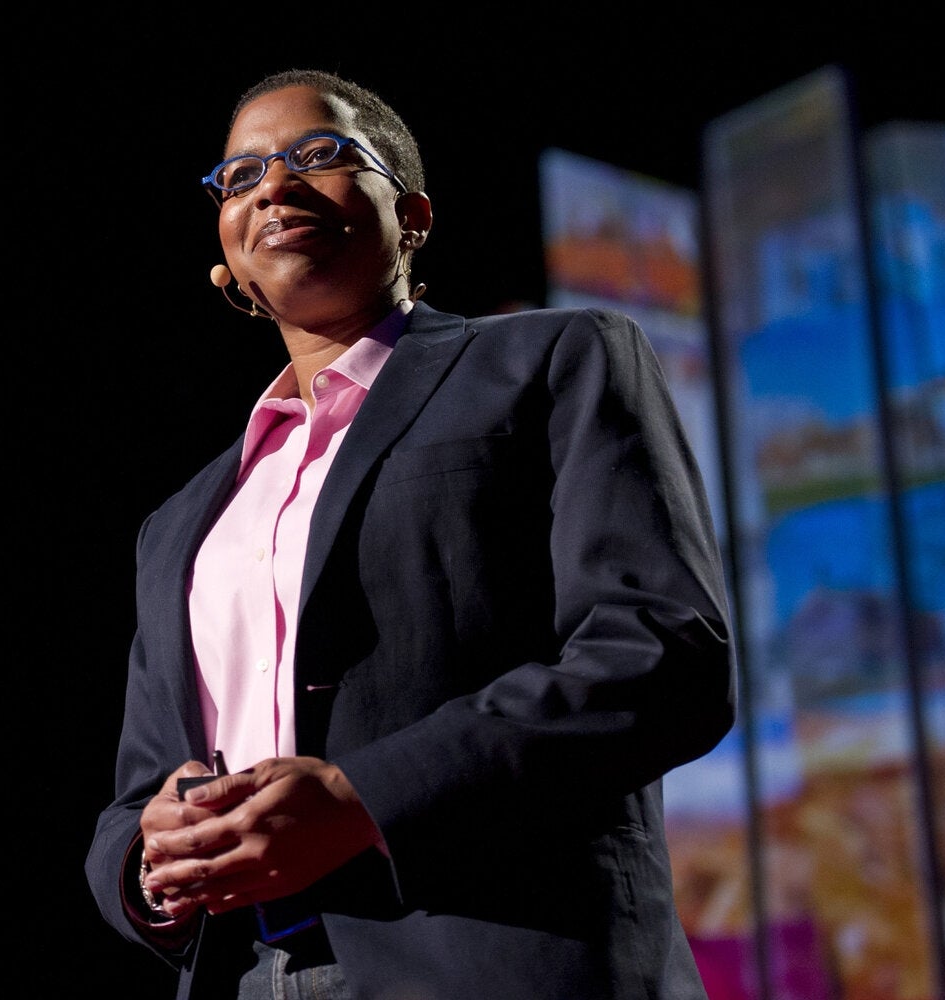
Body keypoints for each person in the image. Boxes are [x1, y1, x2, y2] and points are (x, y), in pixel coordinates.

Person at [84, 67, 736, 1000]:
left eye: (321, 155)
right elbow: (132, 798)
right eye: (240, 175)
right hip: (245, 972)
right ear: (226, 255)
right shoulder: (183, 521)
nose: (273, 185)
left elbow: (665, 652)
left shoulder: (554, 360)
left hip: (502, 959)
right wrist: (150, 865)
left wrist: (363, 800)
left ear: (413, 215)